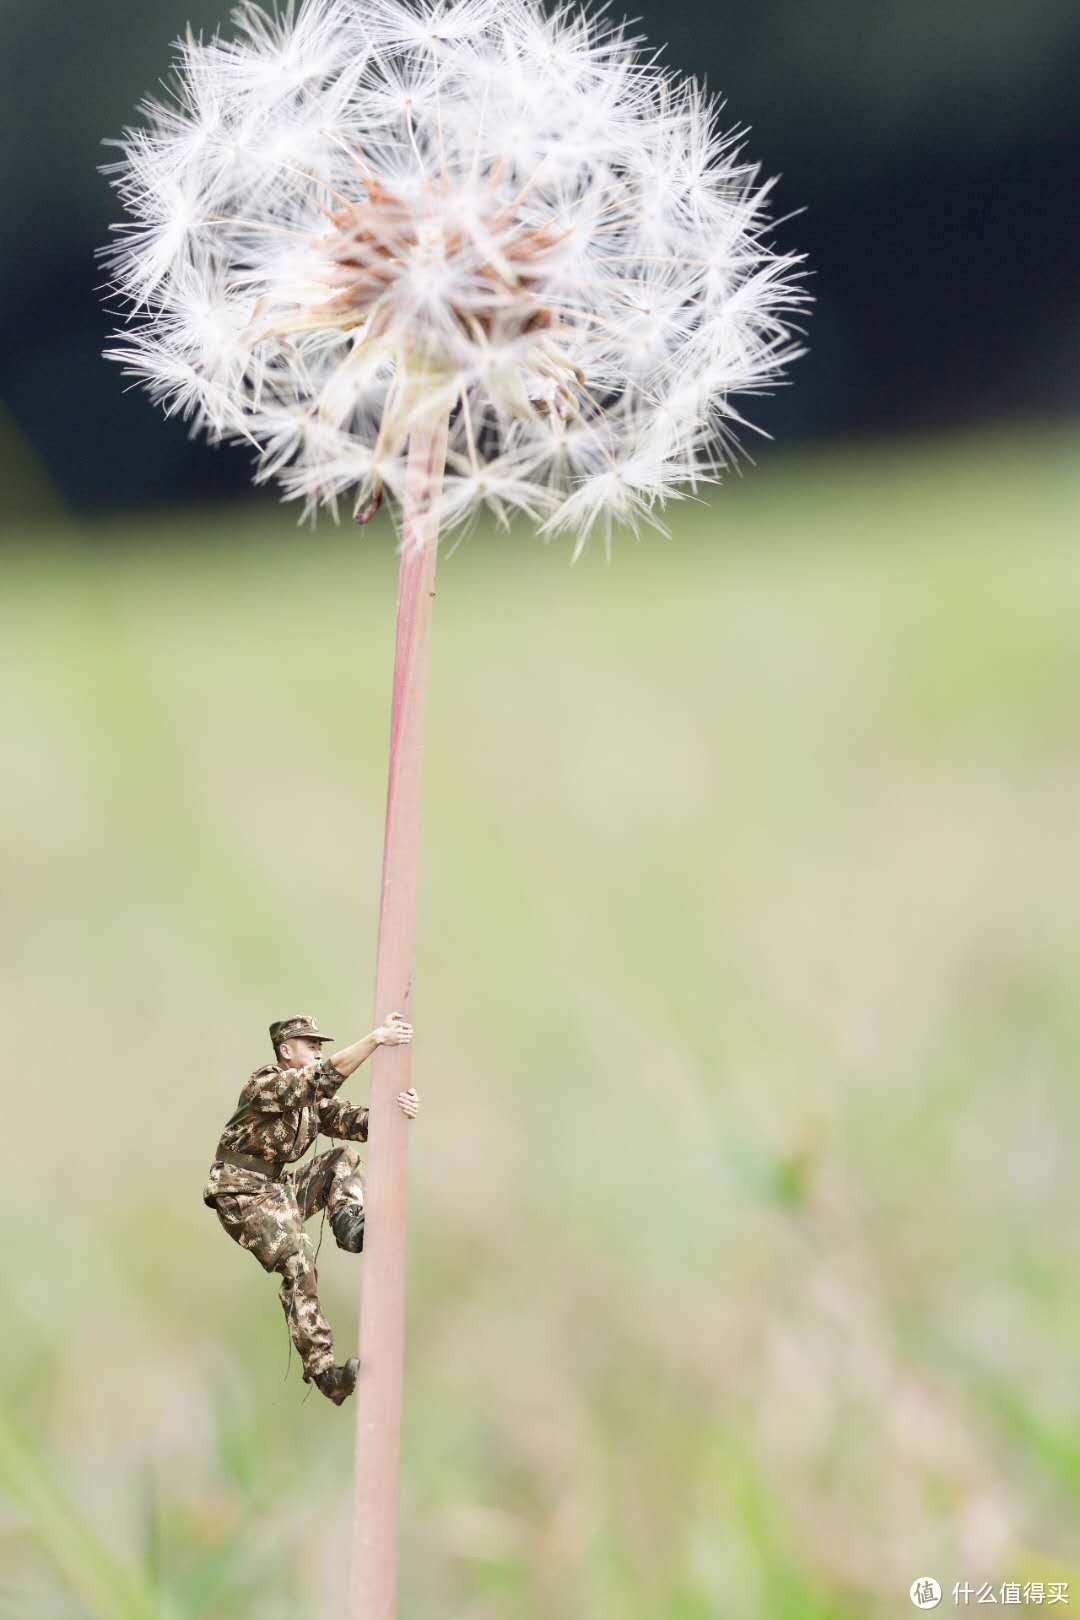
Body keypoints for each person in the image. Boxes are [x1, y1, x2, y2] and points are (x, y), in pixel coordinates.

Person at [202, 1011, 419, 1405]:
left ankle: (347, 1223)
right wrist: (375, 1039)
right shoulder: (267, 1084)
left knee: (340, 1159)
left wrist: (399, 1111)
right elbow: (321, 1079)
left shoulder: (312, 1103)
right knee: (298, 1258)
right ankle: (323, 1371)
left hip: (274, 1189)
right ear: (286, 1050)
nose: (318, 1051)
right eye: (311, 1045)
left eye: (320, 1046)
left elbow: (356, 1123)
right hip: (241, 1194)